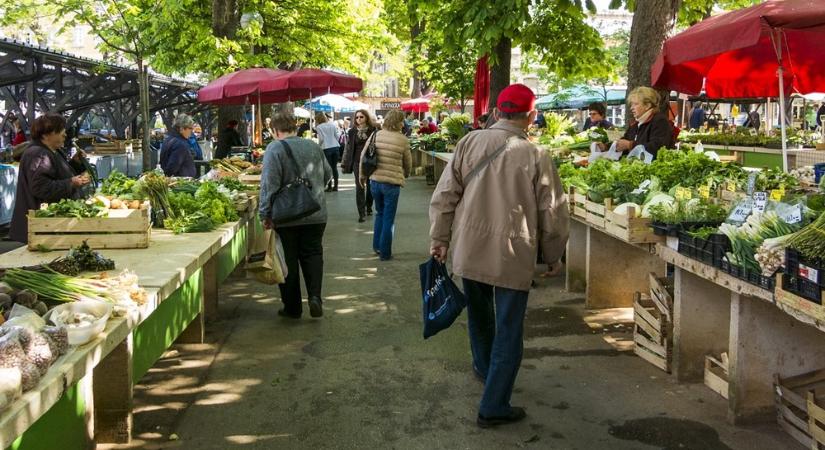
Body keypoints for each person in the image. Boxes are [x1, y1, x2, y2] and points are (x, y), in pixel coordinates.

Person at [428, 83, 569, 428]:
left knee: (479, 316)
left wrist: (439, 239)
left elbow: (445, 195)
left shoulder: (468, 142)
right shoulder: (537, 155)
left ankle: (483, 367)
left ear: (496, 112)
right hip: (512, 252)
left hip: (469, 247)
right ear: (532, 116)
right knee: (509, 329)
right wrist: (552, 255)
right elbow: (552, 212)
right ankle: (494, 404)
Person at [259, 111, 332, 319]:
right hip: (316, 211)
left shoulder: (274, 148)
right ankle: (315, 297)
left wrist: (264, 213)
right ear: (294, 127)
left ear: (274, 130)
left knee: (287, 260)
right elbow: (327, 174)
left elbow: (269, 184)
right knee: (313, 254)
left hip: (286, 216)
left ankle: (292, 307)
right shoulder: (313, 146)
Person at [9, 113, 91, 243]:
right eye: (60, 131)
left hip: (47, 226)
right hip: (41, 227)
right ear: (46, 134)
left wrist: (76, 163)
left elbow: (58, 173)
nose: (65, 134)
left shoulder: (51, 151)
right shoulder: (38, 154)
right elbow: (41, 188)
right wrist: (71, 183)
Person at [358, 110, 411, 261]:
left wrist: (362, 175)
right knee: (389, 218)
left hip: (375, 181)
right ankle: (385, 253)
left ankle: (377, 246)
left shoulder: (376, 135)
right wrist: (405, 174)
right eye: (402, 120)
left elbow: (363, 155)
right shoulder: (402, 140)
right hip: (392, 184)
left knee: (379, 214)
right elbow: (408, 163)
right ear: (399, 122)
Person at [611, 87, 675, 161]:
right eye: (631, 105)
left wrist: (630, 145)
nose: (631, 108)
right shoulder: (636, 124)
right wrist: (606, 146)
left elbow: (658, 147)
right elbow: (625, 141)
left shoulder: (660, 121)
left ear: (647, 106)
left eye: (635, 104)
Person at [342, 109, 377, 222]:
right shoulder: (352, 131)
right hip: (357, 162)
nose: (359, 119)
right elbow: (348, 148)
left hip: (370, 161)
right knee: (359, 186)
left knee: (371, 186)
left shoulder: (373, 130)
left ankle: (369, 206)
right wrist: (345, 163)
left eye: (361, 117)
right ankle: (361, 213)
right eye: (357, 117)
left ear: (366, 117)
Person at [315, 112, 341, 192]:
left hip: (326, 148)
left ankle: (329, 186)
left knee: (328, 168)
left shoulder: (319, 127)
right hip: (335, 147)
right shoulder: (332, 125)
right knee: (334, 168)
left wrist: (318, 146)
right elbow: (337, 136)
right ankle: (336, 186)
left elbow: (321, 139)